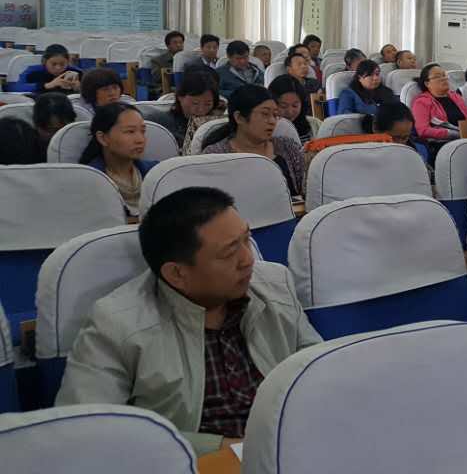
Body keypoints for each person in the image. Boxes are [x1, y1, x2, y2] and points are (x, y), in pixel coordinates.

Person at [56, 187, 321, 455]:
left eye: (246, 239)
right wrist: (228, 449)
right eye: (229, 253)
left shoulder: (274, 284)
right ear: (177, 274)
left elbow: (317, 372)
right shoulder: (116, 324)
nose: (248, 260)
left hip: (290, 445)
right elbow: (88, 432)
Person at [202, 86, 307, 197]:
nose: (272, 121)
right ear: (239, 117)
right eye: (265, 114)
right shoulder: (215, 156)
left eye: (275, 115)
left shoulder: (288, 147)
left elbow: (305, 191)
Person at [79, 103, 157, 217]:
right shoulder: (89, 181)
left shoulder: (155, 172)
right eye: (130, 131)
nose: (140, 140)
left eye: (142, 131)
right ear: (102, 138)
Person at [411, 63, 467, 156]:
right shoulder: (421, 102)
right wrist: (451, 134)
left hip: (464, 140)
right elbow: (423, 131)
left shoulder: (456, 97)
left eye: (444, 75)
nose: (443, 78)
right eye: (437, 77)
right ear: (427, 83)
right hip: (442, 145)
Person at [150, 69, 222, 146]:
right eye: (195, 103)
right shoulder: (159, 122)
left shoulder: (218, 123)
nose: (201, 110)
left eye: (208, 104)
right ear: (180, 97)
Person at [268, 76, 318, 145]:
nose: (290, 112)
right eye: (283, 106)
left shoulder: (314, 124)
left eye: (295, 106)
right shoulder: (266, 128)